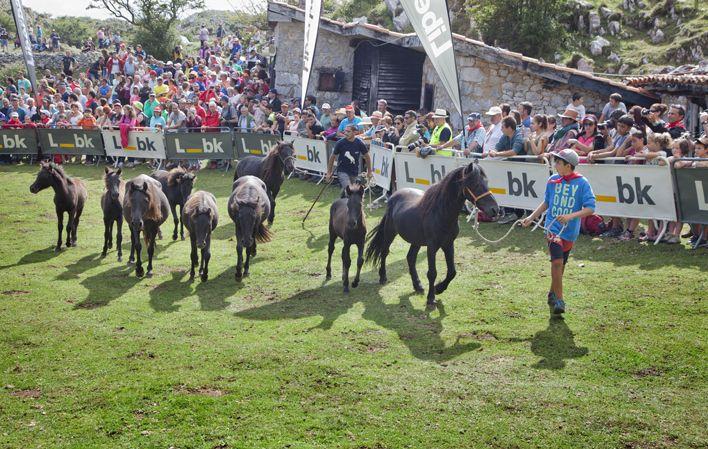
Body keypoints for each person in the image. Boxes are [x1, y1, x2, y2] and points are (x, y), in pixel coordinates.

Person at [522, 149, 596, 316]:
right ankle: (560, 300)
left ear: (568, 166)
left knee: (561, 264)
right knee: (556, 262)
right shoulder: (552, 180)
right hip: (552, 228)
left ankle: (552, 292)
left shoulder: (582, 183)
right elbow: (547, 202)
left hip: (569, 231)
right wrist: (532, 217)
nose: (555, 165)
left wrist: (570, 216)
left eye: (558, 162)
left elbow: (591, 208)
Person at [325, 124, 372, 196]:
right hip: (342, 171)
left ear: (355, 132)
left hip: (354, 171)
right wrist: (329, 172)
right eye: (345, 131)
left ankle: (341, 202)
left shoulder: (359, 143)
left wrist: (369, 171)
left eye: (348, 131)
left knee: (350, 191)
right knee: (349, 189)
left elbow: (367, 157)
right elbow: (332, 157)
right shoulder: (340, 143)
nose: (346, 133)